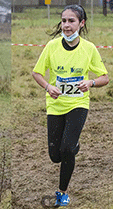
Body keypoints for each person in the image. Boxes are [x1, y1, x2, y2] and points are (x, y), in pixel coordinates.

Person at [32, 4, 109, 207]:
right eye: (64, 21)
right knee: (55, 156)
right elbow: (36, 73)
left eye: (71, 21)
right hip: (55, 105)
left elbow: (104, 77)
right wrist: (49, 86)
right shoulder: (51, 46)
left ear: (81, 23)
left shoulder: (89, 48)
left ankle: (62, 193)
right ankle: (72, 146)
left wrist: (90, 83)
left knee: (66, 149)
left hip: (78, 103)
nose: (66, 25)